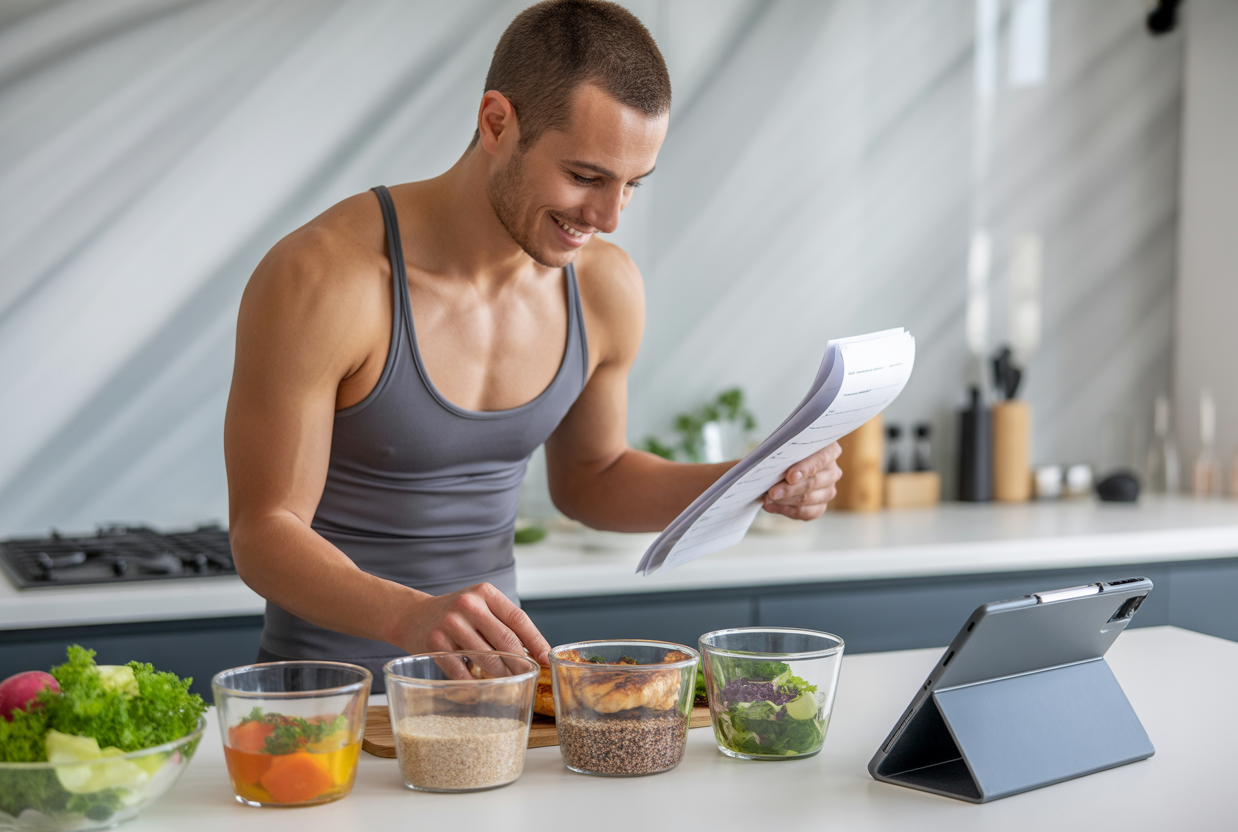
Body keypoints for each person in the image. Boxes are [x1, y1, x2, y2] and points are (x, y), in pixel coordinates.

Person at [224, 0, 842, 682]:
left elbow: (593, 480)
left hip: (497, 703)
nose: (607, 218)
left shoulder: (603, 288)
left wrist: (751, 480)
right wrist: (411, 618)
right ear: (497, 123)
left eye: (632, 186)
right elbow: (265, 533)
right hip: (330, 712)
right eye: (584, 177)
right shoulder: (326, 277)